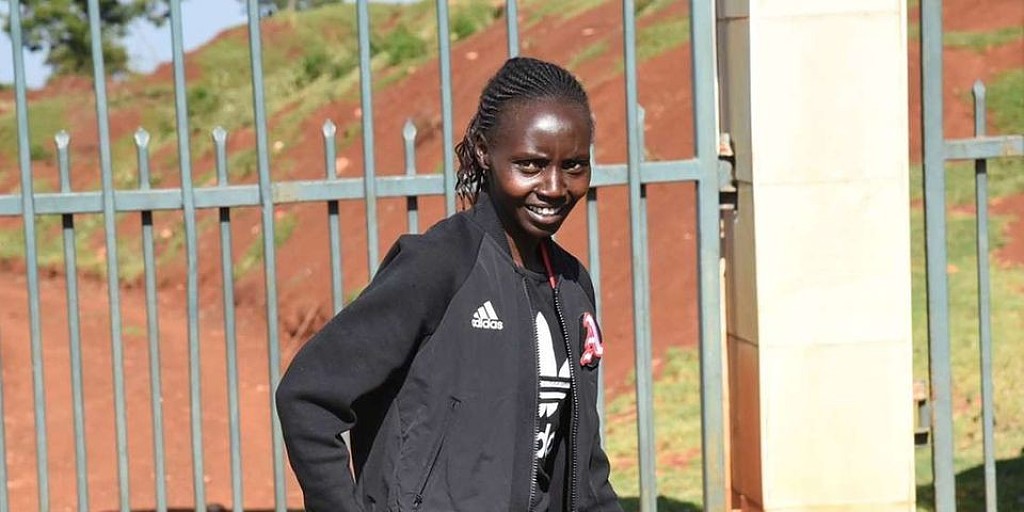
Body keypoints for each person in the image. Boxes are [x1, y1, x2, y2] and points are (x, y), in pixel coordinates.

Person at [276, 56, 622, 512]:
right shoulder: (438, 265)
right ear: (483, 151)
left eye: (574, 166)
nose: (555, 187)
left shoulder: (572, 287)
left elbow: (584, 469)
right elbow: (307, 397)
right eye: (530, 165)